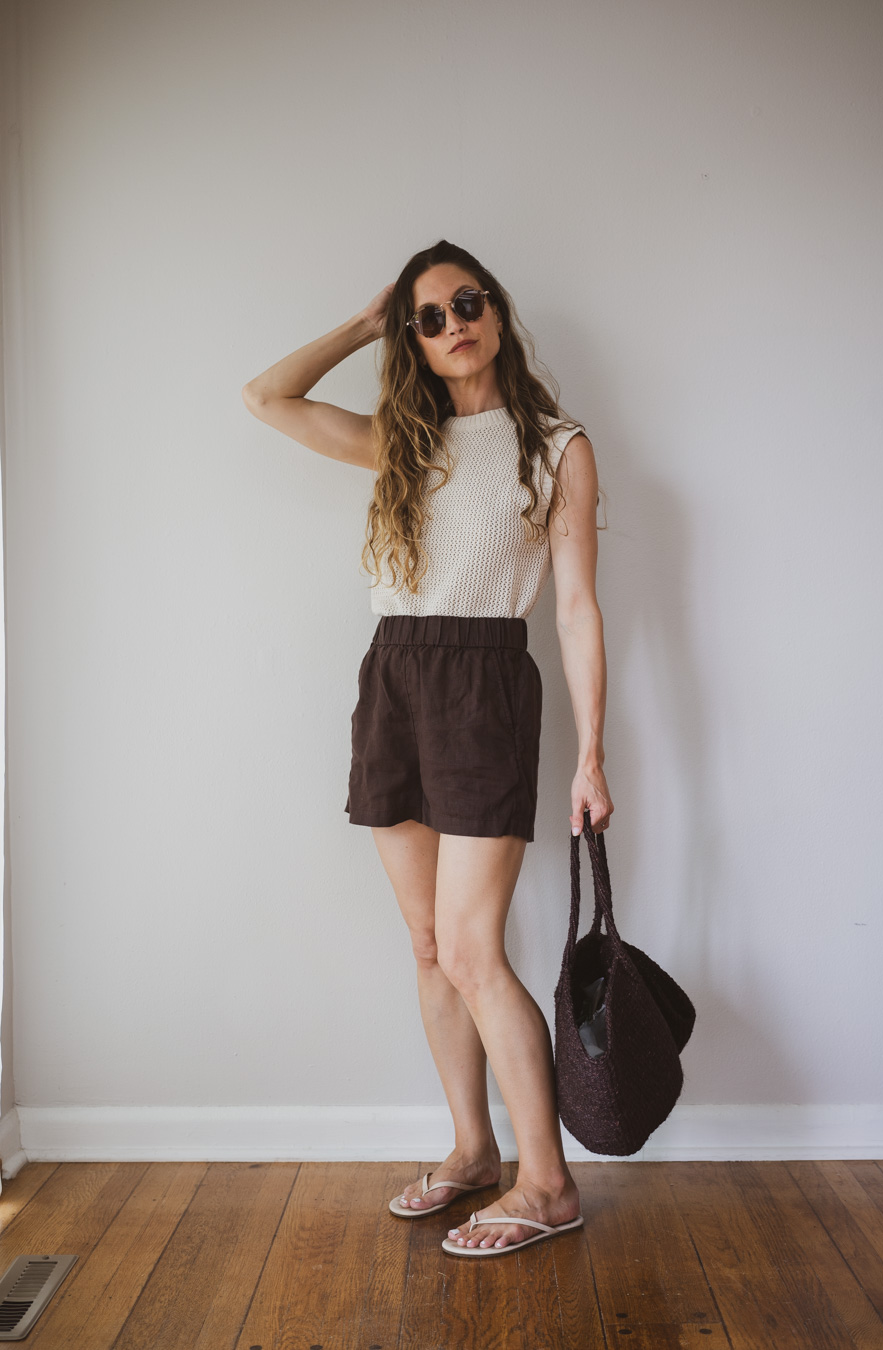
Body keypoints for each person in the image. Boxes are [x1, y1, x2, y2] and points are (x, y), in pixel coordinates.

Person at [242, 239, 613, 1256]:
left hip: (488, 679)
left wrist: (591, 753)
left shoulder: (557, 444)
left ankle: (547, 1185)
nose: (454, 325)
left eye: (468, 303)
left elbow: (576, 608)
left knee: (470, 949)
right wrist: (365, 324)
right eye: (430, 316)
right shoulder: (403, 443)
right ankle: (472, 1152)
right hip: (396, 677)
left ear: (497, 311)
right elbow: (267, 397)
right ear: (414, 335)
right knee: (426, 947)